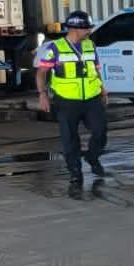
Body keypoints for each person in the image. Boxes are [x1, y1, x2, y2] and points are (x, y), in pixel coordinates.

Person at [36, 11, 107, 183]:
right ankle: (75, 169)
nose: (89, 31)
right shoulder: (55, 48)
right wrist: (43, 95)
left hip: (92, 97)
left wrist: (103, 88)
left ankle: (92, 156)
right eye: (87, 28)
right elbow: (41, 73)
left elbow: (95, 69)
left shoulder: (90, 45)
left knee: (100, 131)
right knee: (70, 137)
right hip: (66, 100)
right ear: (75, 29)